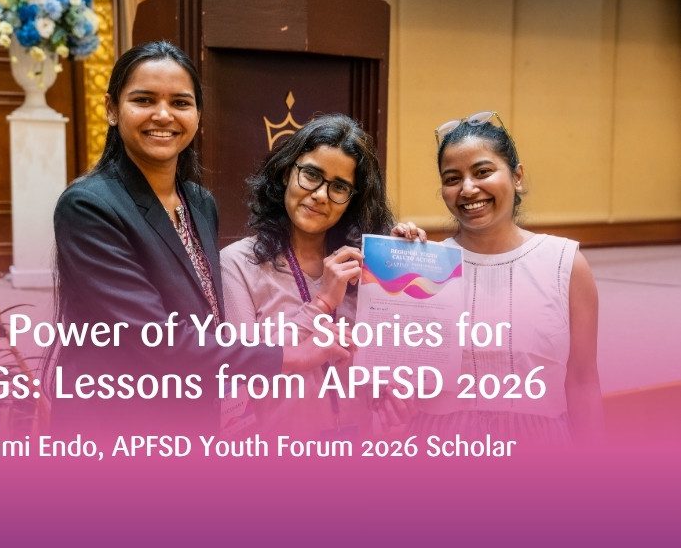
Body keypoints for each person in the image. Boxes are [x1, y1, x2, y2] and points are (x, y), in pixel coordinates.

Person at [51, 41, 344, 434]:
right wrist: (288, 356)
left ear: (198, 115)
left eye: (180, 102)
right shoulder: (89, 206)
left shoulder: (199, 202)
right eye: (143, 99)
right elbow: (156, 339)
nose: (163, 114)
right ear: (111, 109)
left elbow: (205, 317)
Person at [221, 114, 425, 438]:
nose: (320, 194)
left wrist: (408, 260)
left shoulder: (367, 267)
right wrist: (323, 302)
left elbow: (392, 366)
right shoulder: (238, 265)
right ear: (288, 172)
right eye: (311, 175)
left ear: (352, 200)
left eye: (339, 187)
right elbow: (242, 370)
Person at [413, 111, 604, 444]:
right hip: (441, 444)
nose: (468, 189)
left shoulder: (566, 263)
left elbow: (583, 379)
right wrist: (395, 263)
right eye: (452, 178)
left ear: (517, 177)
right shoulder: (425, 264)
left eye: (483, 171)